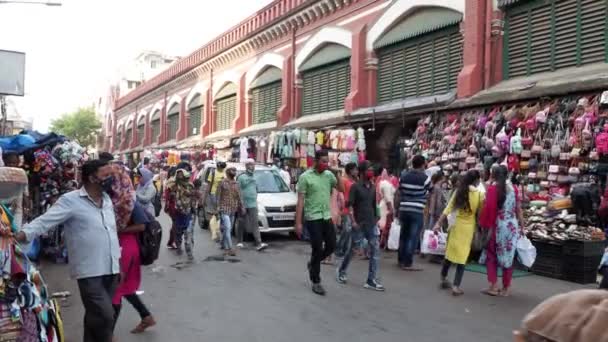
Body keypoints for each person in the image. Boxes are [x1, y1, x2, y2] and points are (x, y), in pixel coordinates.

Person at [16, 159, 121, 342]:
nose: (111, 179)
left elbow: (110, 232)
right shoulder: (71, 201)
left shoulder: (106, 200)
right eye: (106, 175)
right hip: (89, 270)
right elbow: (44, 221)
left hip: (111, 267)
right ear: (91, 178)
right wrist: (20, 235)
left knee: (94, 315)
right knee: (105, 314)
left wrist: (119, 262)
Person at [295, 150, 343, 296]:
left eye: (327, 161)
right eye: (323, 161)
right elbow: (300, 201)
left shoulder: (329, 175)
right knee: (317, 247)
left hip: (326, 216)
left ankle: (313, 263)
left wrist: (337, 173)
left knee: (332, 245)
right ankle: (316, 281)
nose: (325, 164)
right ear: (315, 161)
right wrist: (298, 223)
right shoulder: (305, 177)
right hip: (313, 217)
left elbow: (341, 188)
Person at [432, 170, 483, 296]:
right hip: (468, 227)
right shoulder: (479, 194)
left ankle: (443, 277)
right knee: (462, 257)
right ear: (476, 180)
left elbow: (448, 208)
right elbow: (480, 212)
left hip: (455, 226)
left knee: (450, 253)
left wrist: (438, 223)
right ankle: (456, 286)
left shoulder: (458, 191)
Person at [337, 161, 384, 291]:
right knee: (353, 250)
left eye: (372, 170)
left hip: (371, 223)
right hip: (358, 224)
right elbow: (350, 205)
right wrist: (353, 221)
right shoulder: (355, 187)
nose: (371, 172)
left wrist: (377, 218)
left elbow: (375, 204)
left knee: (375, 250)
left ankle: (371, 280)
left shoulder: (374, 187)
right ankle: (342, 270)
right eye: (369, 169)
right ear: (362, 172)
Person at [479, 165, 524, 297]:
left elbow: (489, 210)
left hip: (497, 226)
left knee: (491, 256)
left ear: (494, 175)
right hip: (511, 225)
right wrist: (522, 226)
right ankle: (506, 287)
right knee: (508, 257)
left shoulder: (493, 189)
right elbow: (519, 209)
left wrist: (484, 225)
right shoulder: (514, 189)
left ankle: (493, 286)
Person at [112, 202, 156, 335]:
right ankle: (146, 317)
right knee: (126, 288)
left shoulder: (128, 201)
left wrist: (119, 230)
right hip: (126, 246)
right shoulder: (115, 199)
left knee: (116, 289)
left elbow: (142, 226)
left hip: (125, 247)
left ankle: (108, 334)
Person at [394, 155, 430, 271]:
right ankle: (408, 262)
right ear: (422, 164)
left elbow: (398, 193)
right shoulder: (425, 178)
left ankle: (400, 260)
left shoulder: (404, 176)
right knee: (412, 236)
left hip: (404, 209)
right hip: (417, 210)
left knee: (403, 235)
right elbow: (431, 191)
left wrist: (397, 208)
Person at [236, 159, 268, 251]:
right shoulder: (241, 177)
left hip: (253, 203)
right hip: (243, 204)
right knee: (242, 222)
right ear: (246, 166)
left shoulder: (255, 177)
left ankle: (258, 243)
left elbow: (256, 189)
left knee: (255, 224)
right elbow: (238, 191)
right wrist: (241, 204)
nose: (252, 166)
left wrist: (255, 198)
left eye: (253, 165)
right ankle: (239, 241)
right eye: (250, 165)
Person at [166, 168, 195, 260]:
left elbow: (194, 196)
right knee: (178, 231)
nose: (179, 176)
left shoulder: (190, 185)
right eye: (178, 174)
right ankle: (178, 247)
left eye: (181, 174)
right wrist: (172, 195)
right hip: (177, 211)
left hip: (188, 211)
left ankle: (189, 251)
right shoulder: (173, 185)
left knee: (188, 233)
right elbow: (169, 197)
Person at [216, 166, 243, 256]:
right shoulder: (222, 182)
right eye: (232, 170)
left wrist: (241, 206)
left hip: (233, 208)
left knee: (229, 228)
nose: (234, 172)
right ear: (227, 172)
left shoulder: (237, 184)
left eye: (235, 170)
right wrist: (217, 207)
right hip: (224, 208)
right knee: (227, 227)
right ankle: (230, 248)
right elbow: (218, 195)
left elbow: (239, 196)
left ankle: (223, 244)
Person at [335, 163, 358, 258]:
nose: (357, 172)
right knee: (347, 230)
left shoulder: (356, 181)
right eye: (355, 170)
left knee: (350, 231)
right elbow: (340, 194)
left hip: (354, 209)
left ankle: (345, 249)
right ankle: (339, 248)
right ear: (350, 170)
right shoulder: (344, 180)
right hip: (345, 208)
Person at [376, 167, 396, 249]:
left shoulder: (380, 183)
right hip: (387, 206)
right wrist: (391, 209)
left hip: (383, 205)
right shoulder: (386, 184)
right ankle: (384, 243)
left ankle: (382, 242)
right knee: (387, 225)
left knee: (384, 226)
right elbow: (388, 197)